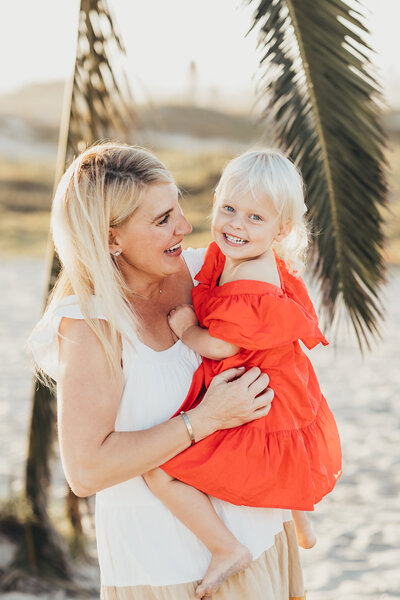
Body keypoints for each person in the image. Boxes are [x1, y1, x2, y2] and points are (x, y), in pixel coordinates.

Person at [28, 143, 306, 600]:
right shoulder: (91, 326)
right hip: (173, 573)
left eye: (177, 207)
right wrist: (205, 419)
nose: (185, 226)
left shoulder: (206, 272)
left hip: (263, 540)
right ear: (111, 238)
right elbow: (86, 470)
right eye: (162, 220)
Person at [143, 150, 342, 598]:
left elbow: (222, 345)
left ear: (281, 229)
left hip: (260, 395)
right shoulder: (235, 253)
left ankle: (225, 547)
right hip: (282, 384)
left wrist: (187, 328)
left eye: (255, 217)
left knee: (159, 471)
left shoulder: (251, 277)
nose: (236, 225)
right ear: (215, 202)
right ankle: (299, 517)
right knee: (286, 460)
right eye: (229, 209)